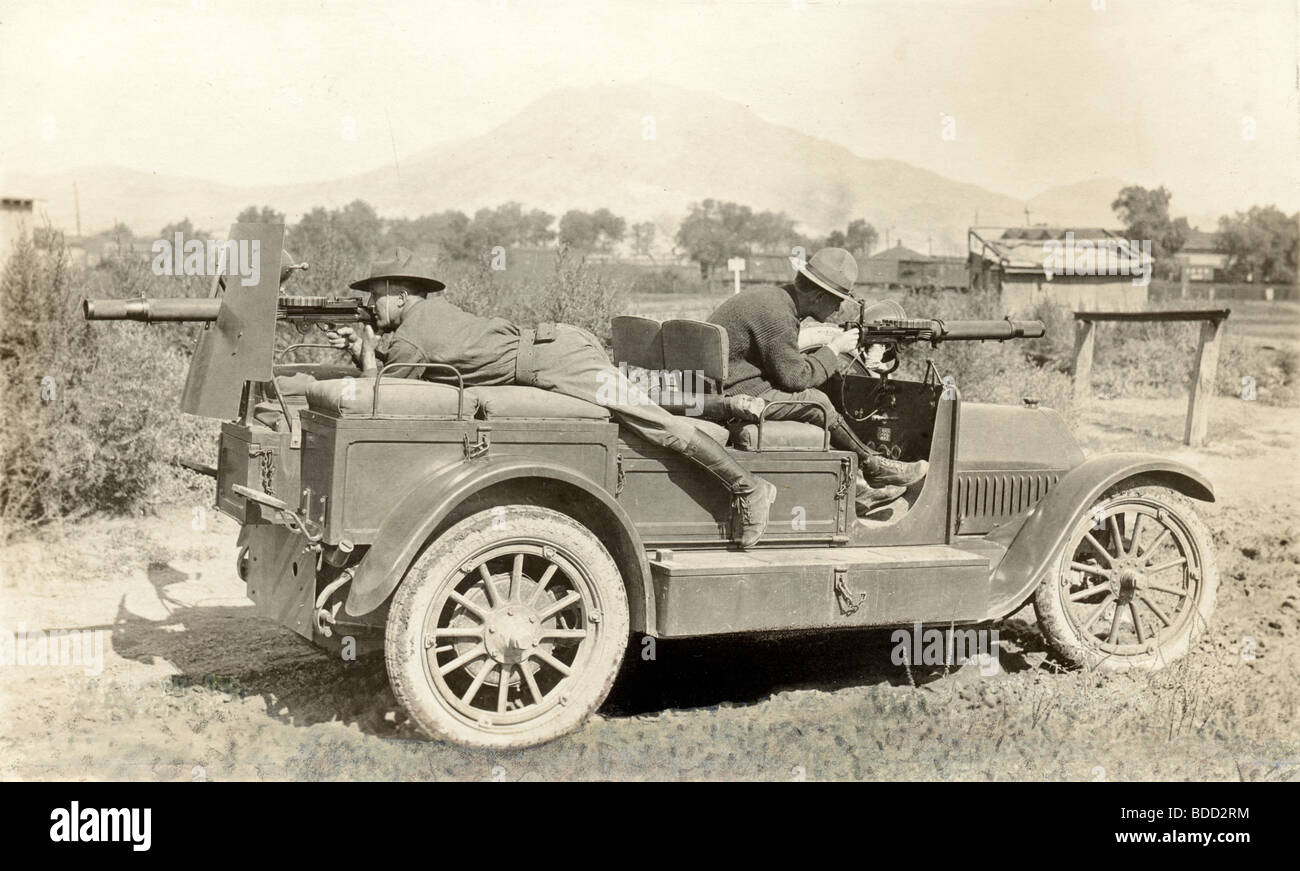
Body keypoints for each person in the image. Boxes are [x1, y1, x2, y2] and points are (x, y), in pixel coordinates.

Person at [326, 248, 777, 548]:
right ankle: (726, 407)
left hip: (556, 360)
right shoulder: (425, 320)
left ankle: (751, 488)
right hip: (550, 353)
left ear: (401, 296)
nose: (371, 305)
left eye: (375, 297)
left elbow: (381, 398)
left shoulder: (414, 333)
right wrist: (367, 350)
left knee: (651, 421)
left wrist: (366, 354)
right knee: (639, 400)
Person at [707, 247, 927, 513]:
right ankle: (873, 466)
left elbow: (784, 366)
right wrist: (834, 349)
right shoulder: (777, 314)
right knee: (817, 401)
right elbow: (796, 377)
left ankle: (857, 482)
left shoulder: (775, 300)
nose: (838, 307)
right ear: (818, 296)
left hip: (727, 383)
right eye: (837, 300)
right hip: (735, 392)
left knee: (819, 391)